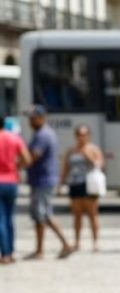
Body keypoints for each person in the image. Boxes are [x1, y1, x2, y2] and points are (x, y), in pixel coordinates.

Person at [24, 105, 74, 259]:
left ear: (42, 118)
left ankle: (62, 245)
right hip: (40, 179)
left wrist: (15, 165)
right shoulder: (42, 133)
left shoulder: (42, 135)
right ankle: (41, 249)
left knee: (43, 214)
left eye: (33, 118)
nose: (30, 121)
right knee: (41, 214)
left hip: (42, 180)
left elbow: (33, 156)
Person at [59, 124, 105, 252]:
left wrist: (87, 155)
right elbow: (65, 168)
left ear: (88, 136)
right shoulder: (71, 151)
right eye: (79, 134)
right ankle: (77, 241)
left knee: (92, 215)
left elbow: (99, 165)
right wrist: (61, 184)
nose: (81, 137)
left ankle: (95, 242)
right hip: (75, 184)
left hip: (90, 185)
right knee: (77, 216)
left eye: (84, 135)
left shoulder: (94, 149)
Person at [0, 122, 30, 264]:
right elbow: (27, 159)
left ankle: (5, 253)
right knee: (10, 217)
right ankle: (11, 252)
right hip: (12, 181)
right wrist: (16, 167)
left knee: (1, 219)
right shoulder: (14, 138)